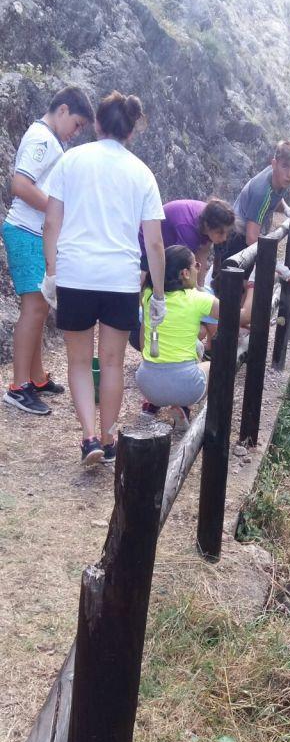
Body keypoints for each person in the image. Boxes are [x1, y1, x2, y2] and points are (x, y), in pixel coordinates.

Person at [43, 90, 166, 466]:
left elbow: (51, 221)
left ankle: (89, 438)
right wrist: (158, 295)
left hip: (76, 273)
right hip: (120, 278)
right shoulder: (142, 173)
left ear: (96, 123)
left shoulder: (71, 161)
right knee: (111, 363)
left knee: (79, 362)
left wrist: (51, 273)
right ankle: (110, 439)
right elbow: (155, 243)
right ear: (130, 131)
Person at [2, 86, 95, 416]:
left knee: (40, 306)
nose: (77, 132)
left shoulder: (51, 140)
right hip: (25, 232)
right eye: (78, 124)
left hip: (34, 234)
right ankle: (18, 387)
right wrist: (58, 212)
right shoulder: (41, 138)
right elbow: (20, 185)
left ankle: (36, 377)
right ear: (63, 110)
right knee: (34, 308)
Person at [212, 140, 290, 323]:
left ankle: (230, 338)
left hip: (241, 235)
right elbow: (251, 238)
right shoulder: (261, 191)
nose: (289, 175)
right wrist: (276, 264)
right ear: (274, 164)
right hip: (235, 239)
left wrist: (286, 209)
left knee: (239, 294)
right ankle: (222, 342)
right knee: (232, 294)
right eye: (285, 167)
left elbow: (275, 198)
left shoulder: (275, 179)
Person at [136, 244, 217, 426]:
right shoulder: (198, 298)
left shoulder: (149, 295)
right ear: (185, 273)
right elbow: (239, 314)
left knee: (192, 347)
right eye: (195, 265)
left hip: (146, 382)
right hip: (185, 384)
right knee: (212, 366)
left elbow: (143, 345)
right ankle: (187, 407)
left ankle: (155, 403)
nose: (199, 267)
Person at [139, 198, 234, 288]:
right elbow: (182, 267)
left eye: (227, 232)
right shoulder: (188, 231)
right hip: (149, 237)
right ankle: (138, 299)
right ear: (208, 226)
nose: (224, 238)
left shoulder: (212, 218)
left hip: (173, 235)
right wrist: (194, 289)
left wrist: (200, 288)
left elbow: (202, 255)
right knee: (149, 270)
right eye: (220, 233)